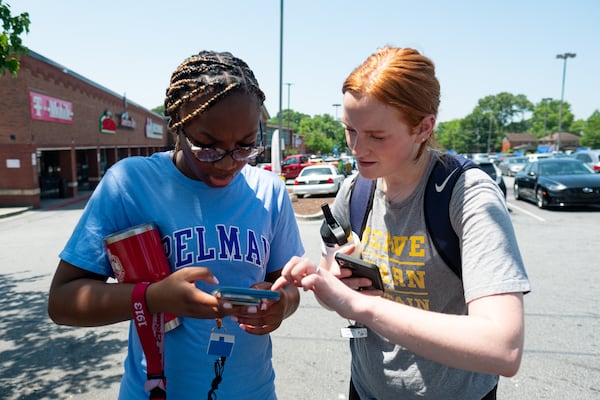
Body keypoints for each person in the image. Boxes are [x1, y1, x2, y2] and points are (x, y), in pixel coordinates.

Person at [273, 46, 530, 399]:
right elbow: (337, 297)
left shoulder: (466, 195)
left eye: (377, 136)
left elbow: (503, 348)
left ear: (423, 127)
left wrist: (362, 306)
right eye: (350, 130)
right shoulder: (356, 190)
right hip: (365, 390)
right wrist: (326, 282)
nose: (358, 148)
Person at [48, 50, 303, 399]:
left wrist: (282, 305)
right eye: (208, 147)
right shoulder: (130, 184)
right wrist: (152, 298)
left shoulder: (269, 192)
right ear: (177, 127)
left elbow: (286, 287)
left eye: (245, 146)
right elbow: (63, 301)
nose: (229, 163)